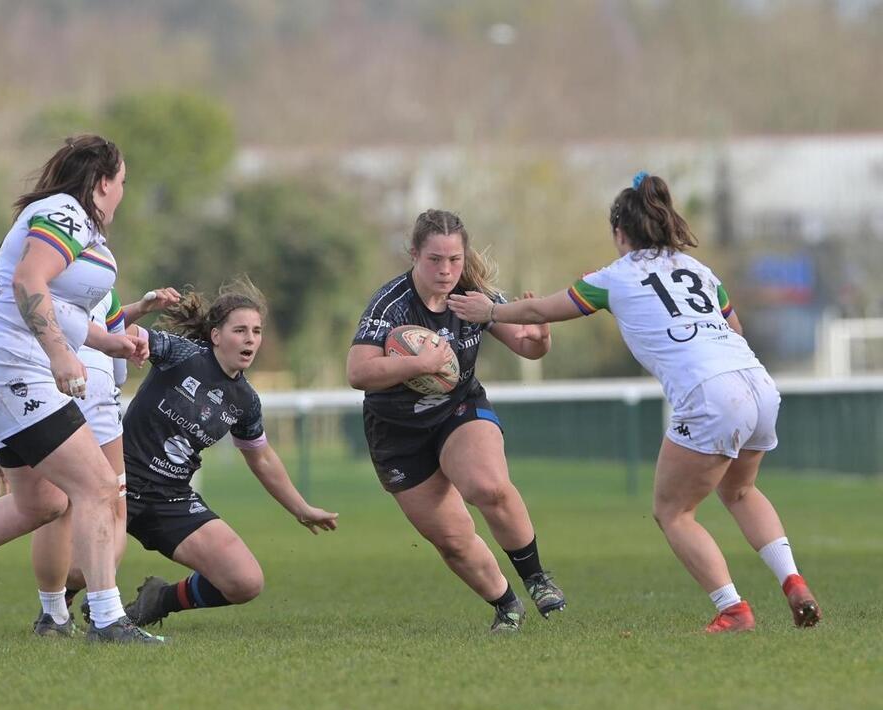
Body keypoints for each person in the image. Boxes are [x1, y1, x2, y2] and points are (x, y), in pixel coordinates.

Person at [448, 172, 822, 633]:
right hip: (758, 383)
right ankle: (793, 581)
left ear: (620, 233)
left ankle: (734, 610)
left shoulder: (613, 278)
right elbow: (735, 330)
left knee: (673, 512)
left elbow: (542, 310)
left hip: (712, 392)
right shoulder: (701, 272)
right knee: (740, 491)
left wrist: (490, 312)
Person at [0, 135, 164, 644]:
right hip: (11, 369)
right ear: (103, 181)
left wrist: (105, 341)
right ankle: (109, 621)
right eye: (124, 182)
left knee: (43, 503)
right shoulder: (65, 211)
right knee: (96, 487)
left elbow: (56, 305)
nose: (124, 193)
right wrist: (62, 354)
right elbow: (28, 282)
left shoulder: (74, 223)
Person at [346, 209, 565, 633]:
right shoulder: (390, 305)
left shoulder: (473, 295)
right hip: (396, 433)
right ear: (413, 254)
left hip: (458, 408)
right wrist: (418, 364)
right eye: (435, 260)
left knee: (488, 486)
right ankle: (506, 603)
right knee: (452, 540)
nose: (446, 270)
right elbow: (358, 373)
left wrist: (539, 338)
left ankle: (537, 577)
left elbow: (527, 346)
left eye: (454, 260)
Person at [114, 276, 339, 628]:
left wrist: (301, 508)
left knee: (244, 581)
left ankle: (159, 600)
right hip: (119, 483)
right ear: (216, 335)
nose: (250, 339)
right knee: (82, 571)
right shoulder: (181, 354)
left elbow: (261, 457)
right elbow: (114, 328)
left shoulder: (246, 401)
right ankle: (55, 613)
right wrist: (139, 311)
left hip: (170, 499)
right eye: (240, 330)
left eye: (256, 331)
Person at [28, 285, 181, 636]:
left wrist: (140, 309)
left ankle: (59, 612)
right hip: (84, 396)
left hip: (64, 398)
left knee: (66, 509)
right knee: (101, 509)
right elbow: (110, 351)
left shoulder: (52, 282)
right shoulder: (50, 278)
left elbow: (102, 324)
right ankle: (96, 608)